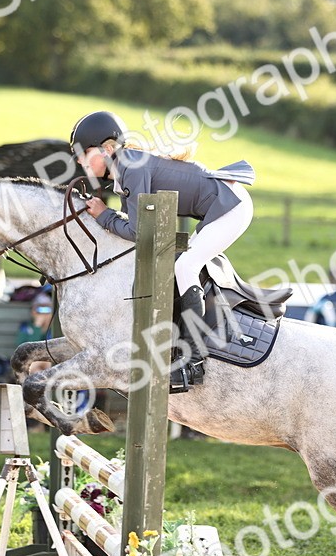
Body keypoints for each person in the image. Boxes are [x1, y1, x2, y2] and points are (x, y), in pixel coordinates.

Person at [70, 110, 255, 389]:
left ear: (108, 149)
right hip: (223, 205)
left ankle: (192, 363)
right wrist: (106, 216)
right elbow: (140, 227)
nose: (78, 160)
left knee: (184, 266)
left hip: (230, 205)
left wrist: (104, 216)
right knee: (182, 264)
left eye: (83, 153)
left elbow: (137, 231)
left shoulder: (131, 168)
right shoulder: (126, 168)